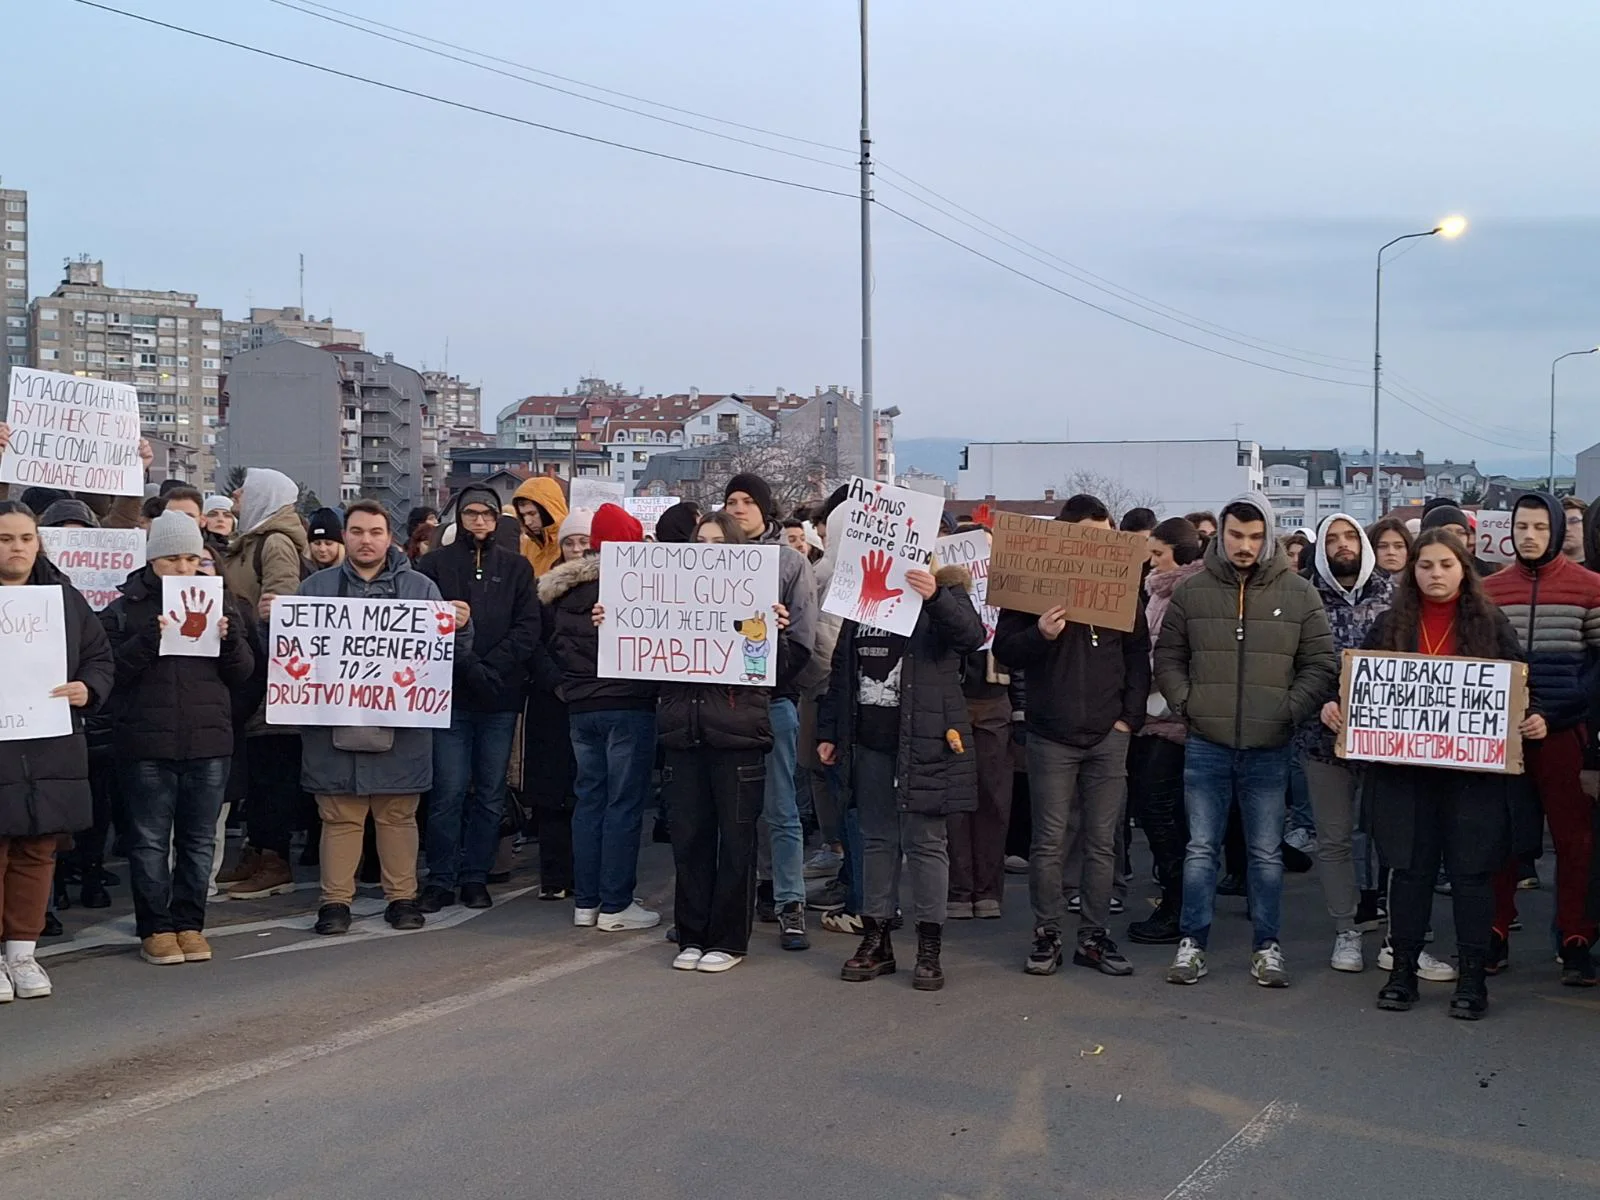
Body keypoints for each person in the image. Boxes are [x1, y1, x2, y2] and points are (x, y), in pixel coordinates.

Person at [1322, 529, 1538, 1018]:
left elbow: (1522, 684)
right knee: (1411, 873)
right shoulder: (1390, 626)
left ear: (1464, 568)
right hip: (1405, 775)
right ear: (1411, 571)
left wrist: (1534, 715)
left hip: (1472, 779)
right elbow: (1359, 690)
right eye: (1425, 566)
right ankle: (1402, 972)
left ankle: (1472, 979)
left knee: (1471, 876)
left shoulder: (1491, 624)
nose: (1435, 574)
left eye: (1445, 565)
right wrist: (1339, 710)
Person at [1154, 491, 1337, 987]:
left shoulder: (1298, 593)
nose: (1245, 546)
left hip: (1269, 744)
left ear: (1269, 537)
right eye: (1236, 534)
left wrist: (1289, 710)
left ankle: (1267, 946)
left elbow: (1321, 662)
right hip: (1206, 742)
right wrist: (1187, 704)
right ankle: (1192, 943)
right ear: (1221, 533)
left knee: (1265, 853)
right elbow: (1167, 657)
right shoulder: (1192, 594)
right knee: (1201, 849)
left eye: (1256, 537)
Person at [294, 501, 471, 935]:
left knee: (397, 815)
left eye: (374, 532)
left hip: (402, 728)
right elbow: (287, 656)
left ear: (388, 536)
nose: (365, 540)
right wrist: (269, 625)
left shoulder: (422, 589)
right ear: (345, 536)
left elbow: (449, 660)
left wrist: (461, 627)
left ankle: (401, 897)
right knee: (339, 816)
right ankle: (335, 902)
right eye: (356, 531)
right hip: (333, 726)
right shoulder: (314, 588)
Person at [993, 494, 1149, 978]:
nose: (1102, 549)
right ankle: (1047, 933)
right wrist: (1040, 633)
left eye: (1108, 538)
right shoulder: (1031, 585)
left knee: (1103, 843)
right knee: (1049, 842)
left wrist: (1129, 718)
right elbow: (1005, 652)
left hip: (1108, 734)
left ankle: (1094, 936)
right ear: (1067, 538)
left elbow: (1138, 655)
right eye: (1092, 538)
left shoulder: (1122, 588)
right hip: (1052, 734)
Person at [818, 558, 985, 991]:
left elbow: (972, 636)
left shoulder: (946, 593)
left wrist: (935, 597)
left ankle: (929, 947)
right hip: (869, 742)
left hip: (926, 741)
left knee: (927, 843)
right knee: (876, 840)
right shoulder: (862, 597)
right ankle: (877, 939)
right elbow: (841, 672)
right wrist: (830, 731)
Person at [100, 512, 254, 966]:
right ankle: (155, 927)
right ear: (153, 560)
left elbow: (242, 674)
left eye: (193, 558)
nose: (185, 569)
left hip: (208, 742)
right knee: (149, 840)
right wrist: (148, 638)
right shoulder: (125, 608)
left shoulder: (219, 602)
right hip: (146, 743)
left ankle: (190, 923)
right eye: (172, 559)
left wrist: (229, 640)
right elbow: (110, 674)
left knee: (199, 839)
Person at [659, 512, 796, 973]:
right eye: (702, 540)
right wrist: (611, 622)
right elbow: (638, 661)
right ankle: (692, 934)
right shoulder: (671, 599)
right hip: (683, 735)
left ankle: (730, 940)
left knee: (736, 841)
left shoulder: (759, 601)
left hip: (738, 738)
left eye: (720, 541)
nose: (710, 548)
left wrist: (780, 632)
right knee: (690, 840)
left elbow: (785, 670)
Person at [1482, 492, 1600, 984]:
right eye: (1521, 526)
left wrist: (1555, 715)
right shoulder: (1490, 590)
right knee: (1500, 839)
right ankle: (1494, 931)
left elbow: (1597, 668)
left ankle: (1575, 937)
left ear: (1554, 529)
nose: (1529, 535)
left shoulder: (1590, 588)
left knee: (1574, 841)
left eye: (1538, 526)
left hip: (1562, 735)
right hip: (1502, 739)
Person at [0, 501, 115, 1001]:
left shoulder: (63, 600)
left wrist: (88, 688)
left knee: (38, 849)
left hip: (50, 746)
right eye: (5, 539)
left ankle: (22, 955)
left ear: (38, 543)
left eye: (26, 538)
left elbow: (99, 657)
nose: (17, 548)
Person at [415, 486, 541, 911]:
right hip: (450, 694)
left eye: (487, 514)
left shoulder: (518, 568)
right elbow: (423, 626)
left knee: (490, 792)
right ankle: (441, 876)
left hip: (500, 696)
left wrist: (493, 667)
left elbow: (527, 627)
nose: (479, 521)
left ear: (497, 518)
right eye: (471, 513)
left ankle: (476, 874)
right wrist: (469, 665)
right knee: (447, 791)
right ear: (458, 518)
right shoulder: (433, 566)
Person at [541, 503, 660, 931]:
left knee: (589, 801)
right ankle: (616, 904)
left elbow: (551, 649)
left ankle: (586, 901)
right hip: (627, 704)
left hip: (580, 708)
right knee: (623, 805)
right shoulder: (638, 586)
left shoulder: (564, 590)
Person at [1294, 513, 1403, 975]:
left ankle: (1400, 932)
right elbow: (1290, 660)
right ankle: (1346, 931)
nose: (1342, 546)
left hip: (1386, 741)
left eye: (1349, 537)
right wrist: (1320, 702)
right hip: (1323, 740)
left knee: (1394, 839)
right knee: (1334, 838)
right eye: (1333, 539)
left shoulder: (1397, 595)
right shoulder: (1302, 597)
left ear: (1363, 543)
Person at [721, 473, 818, 950]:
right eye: (730, 501)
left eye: (746, 501)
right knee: (730, 810)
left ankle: (790, 902)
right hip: (720, 703)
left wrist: (773, 656)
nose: (737, 508)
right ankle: (738, 897)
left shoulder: (790, 563)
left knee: (780, 807)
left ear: (765, 510)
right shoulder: (705, 560)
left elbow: (803, 638)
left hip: (770, 699)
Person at [216, 469, 308, 901]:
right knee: (257, 770)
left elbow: (281, 610)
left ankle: (274, 856)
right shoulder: (251, 541)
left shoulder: (274, 544)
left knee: (272, 769)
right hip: (251, 672)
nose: (236, 495)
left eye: (245, 489)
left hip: (269, 677)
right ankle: (259, 849)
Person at [1126, 517, 1205, 945]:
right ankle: (1175, 898)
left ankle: (1178, 905)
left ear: (1180, 552)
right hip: (1154, 716)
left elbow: (1170, 655)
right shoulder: (1158, 589)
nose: (1150, 560)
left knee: (1162, 812)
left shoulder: (1186, 593)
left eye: (1157, 553)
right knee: (1159, 812)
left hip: (1173, 719)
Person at [946, 525, 1014, 922]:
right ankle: (958, 886)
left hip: (993, 702)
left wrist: (1019, 711)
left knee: (992, 798)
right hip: (950, 702)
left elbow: (1020, 653)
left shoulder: (1007, 593)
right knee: (954, 800)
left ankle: (987, 888)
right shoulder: (940, 593)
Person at [512, 477, 571, 577]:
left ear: (548, 511)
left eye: (532, 513)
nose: (527, 522)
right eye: (523, 515)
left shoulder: (572, 543)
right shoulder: (528, 544)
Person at [1420, 503, 1497, 577]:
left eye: (1461, 533)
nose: (1455, 537)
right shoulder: (1416, 568)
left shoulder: (1483, 570)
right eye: (1447, 532)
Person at [1561, 495, 1588, 564]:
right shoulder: (1544, 567)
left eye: (1573, 521)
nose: (1566, 528)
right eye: (1561, 522)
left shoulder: (1596, 566)